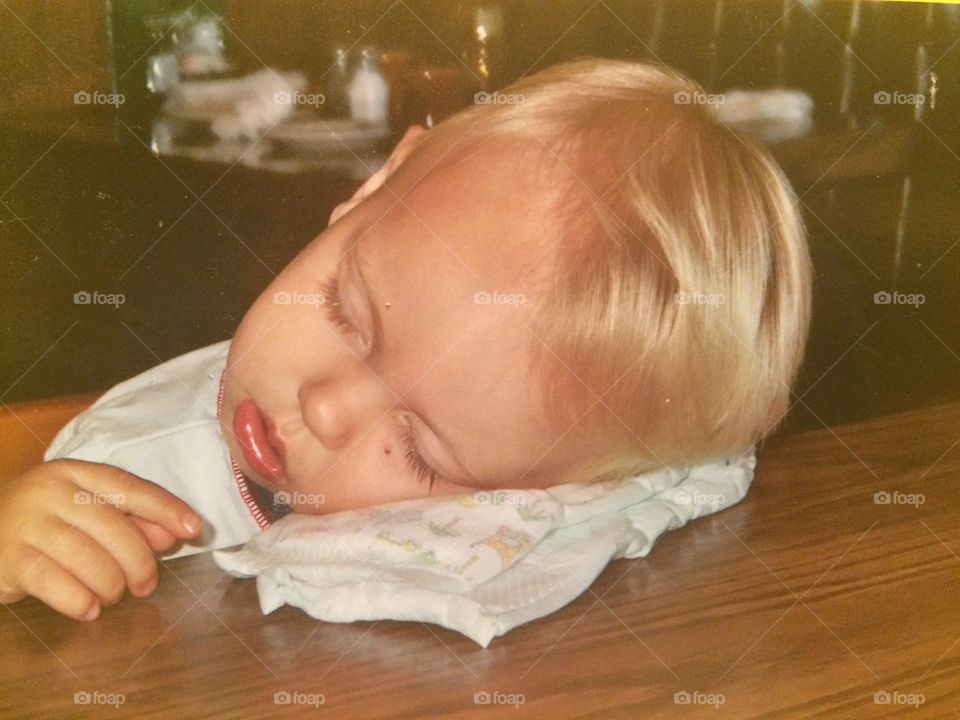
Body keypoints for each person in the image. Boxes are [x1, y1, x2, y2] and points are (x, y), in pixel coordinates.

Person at [0, 58, 811, 623]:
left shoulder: (583, 475)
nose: (323, 407)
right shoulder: (120, 469)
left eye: (421, 450)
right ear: (373, 190)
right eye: (347, 313)